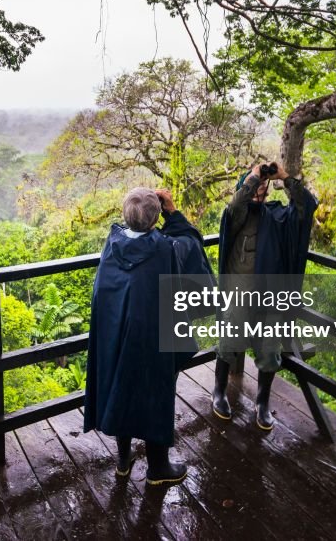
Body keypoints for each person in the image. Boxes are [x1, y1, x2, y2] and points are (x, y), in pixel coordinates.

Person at [83, 187, 211, 485]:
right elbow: (192, 242)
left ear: (125, 215)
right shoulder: (165, 248)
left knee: (120, 385)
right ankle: (158, 468)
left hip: (116, 334)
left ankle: (123, 459)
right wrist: (173, 211)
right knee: (156, 393)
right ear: (155, 218)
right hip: (153, 337)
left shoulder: (112, 243)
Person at [213, 162, 318, 430]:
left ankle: (261, 403)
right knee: (228, 342)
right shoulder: (238, 214)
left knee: (270, 350)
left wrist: (284, 177)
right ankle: (219, 392)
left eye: (263, 185)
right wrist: (252, 179)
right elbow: (234, 207)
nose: (259, 189)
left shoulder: (278, 216)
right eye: (254, 185)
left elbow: (307, 206)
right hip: (239, 291)